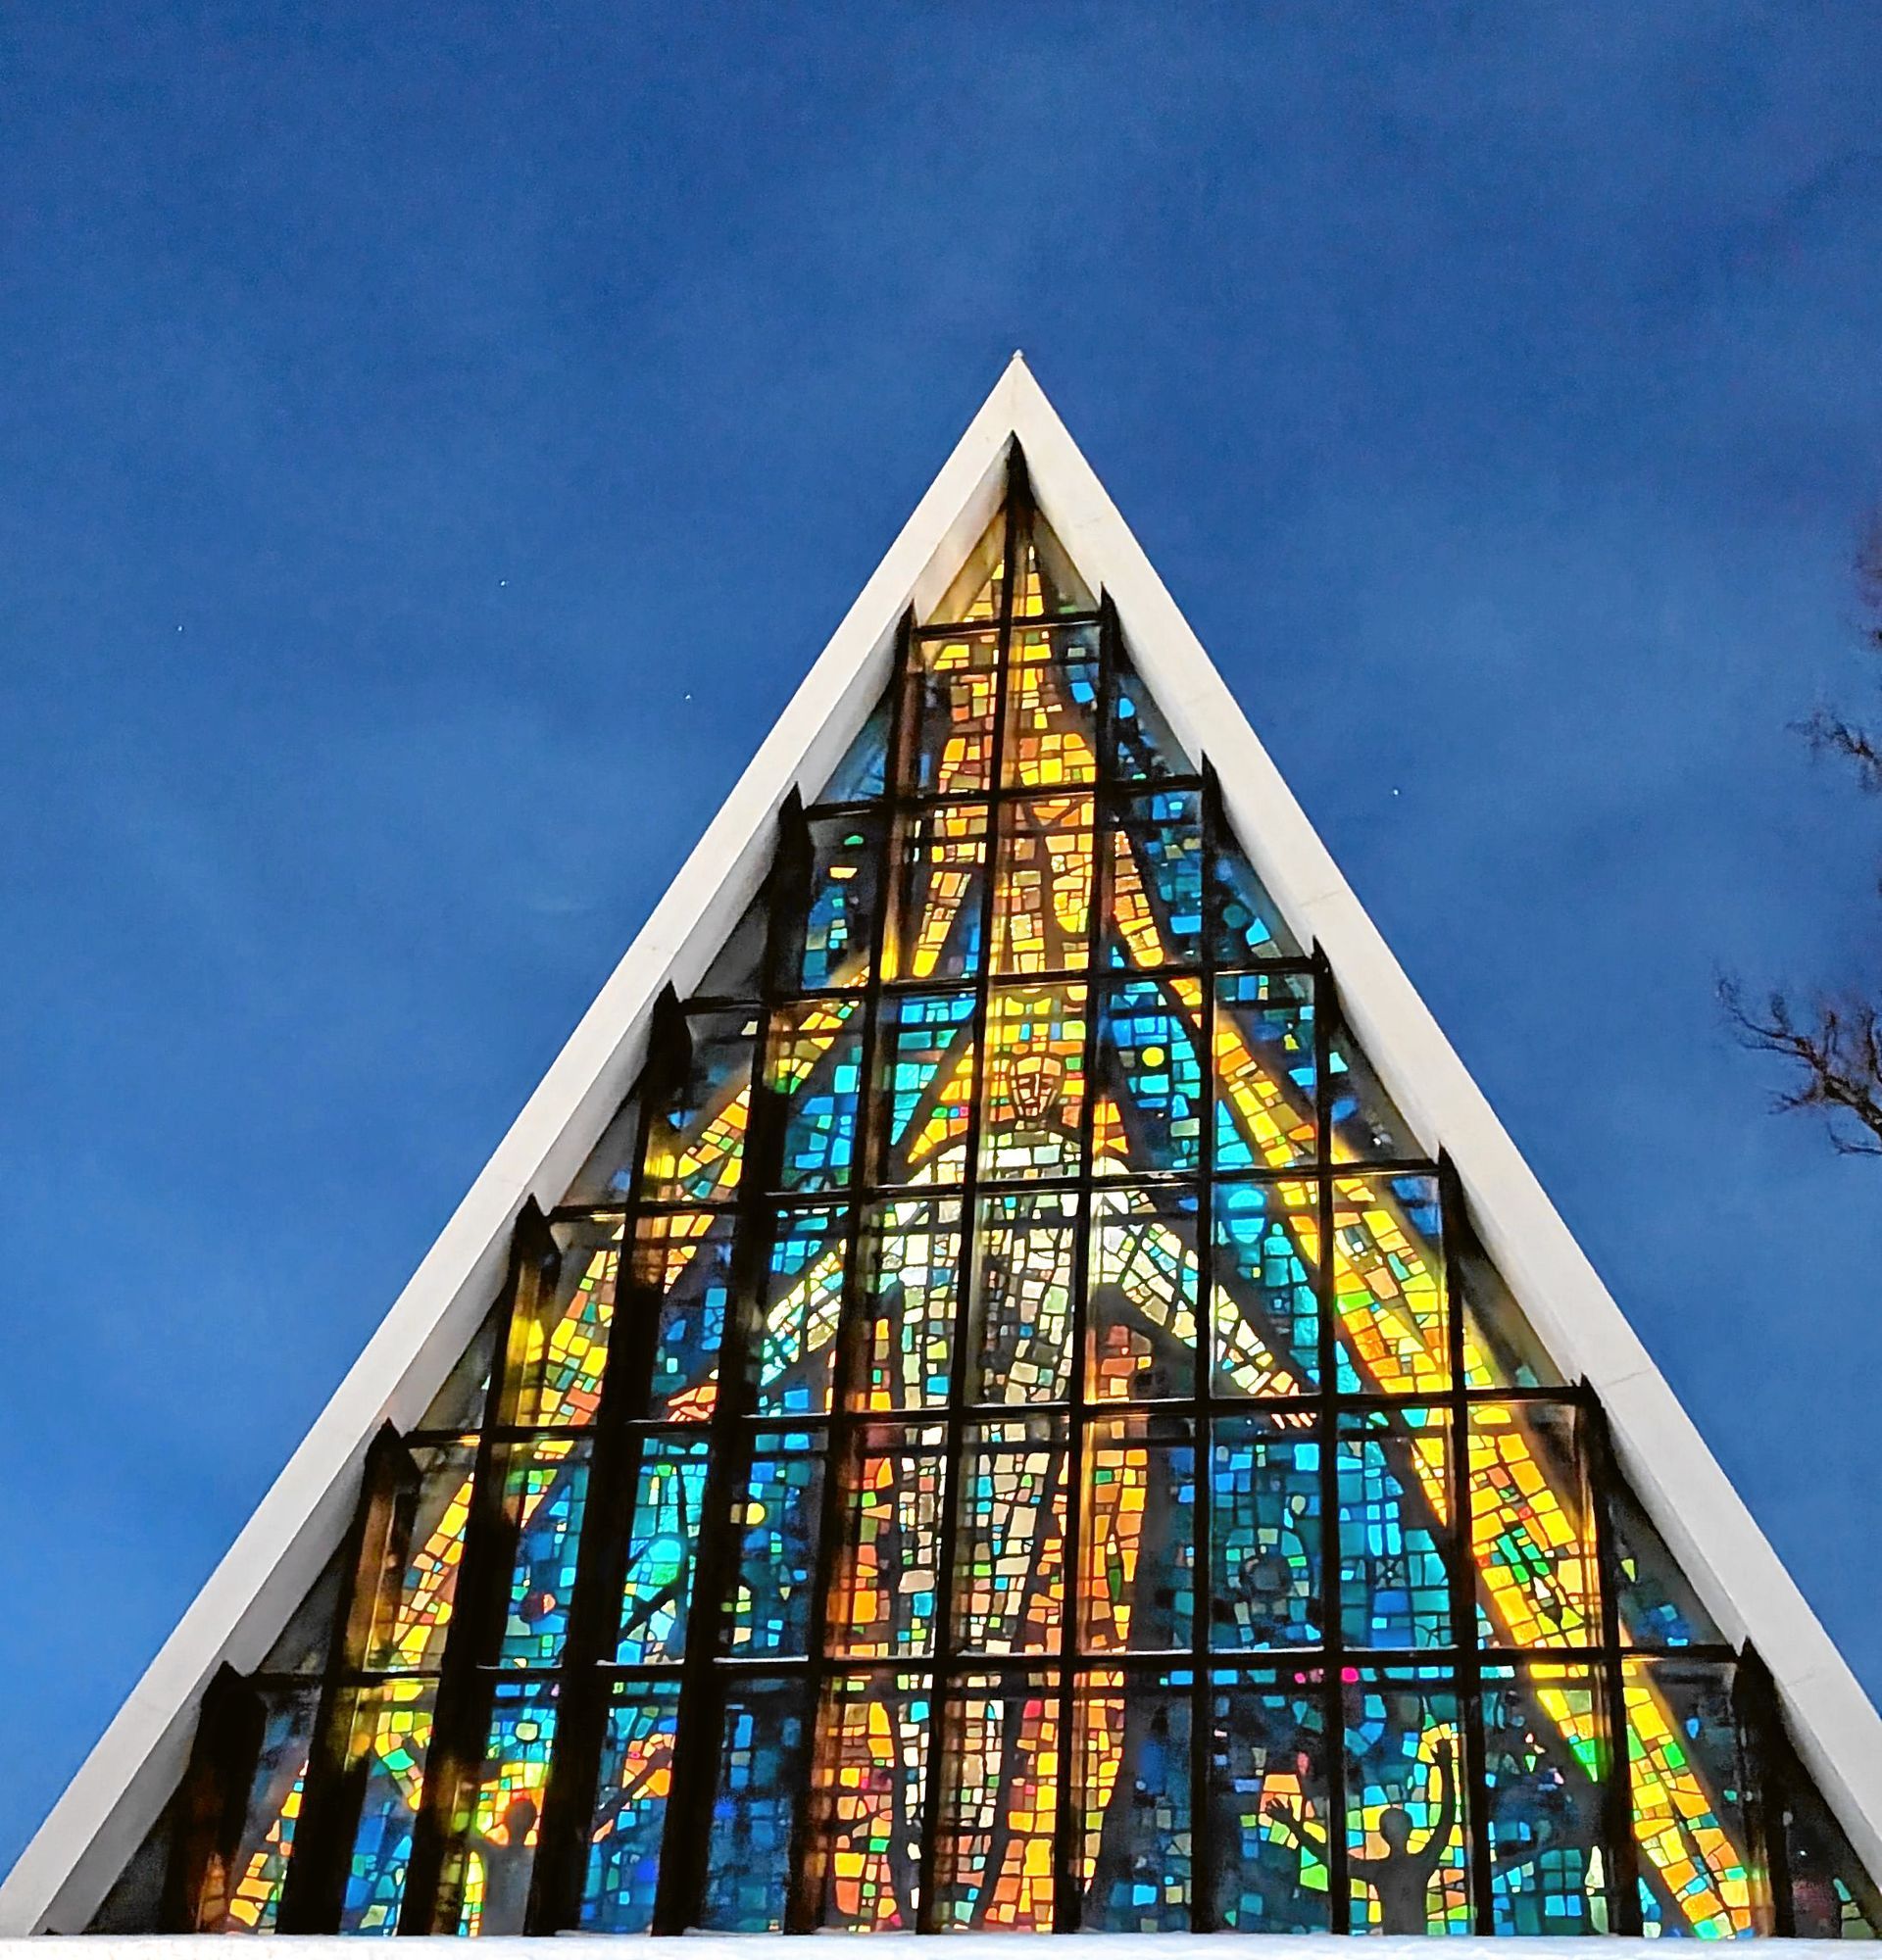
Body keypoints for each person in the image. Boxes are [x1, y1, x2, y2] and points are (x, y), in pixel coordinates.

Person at [1265, 1740, 1458, 1935]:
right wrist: (1445, 1766)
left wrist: (1294, 1825)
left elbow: (1331, 1858)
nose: (1395, 1831)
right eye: (1392, 1826)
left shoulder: (1396, 1867)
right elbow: (1447, 1817)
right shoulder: (1411, 1864)